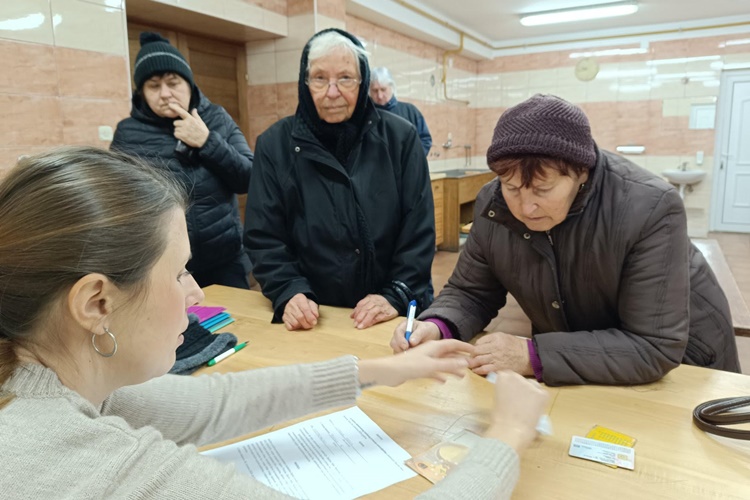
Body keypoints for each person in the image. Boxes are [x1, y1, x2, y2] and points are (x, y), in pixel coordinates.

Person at [0, 146, 548, 499]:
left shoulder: (44, 383)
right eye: (178, 273)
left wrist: (380, 371)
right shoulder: (89, 469)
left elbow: (213, 406)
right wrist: (509, 435)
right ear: (96, 303)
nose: (194, 294)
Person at [391, 94, 741, 386]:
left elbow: (653, 345)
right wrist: (437, 326)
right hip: (581, 358)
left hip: (686, 363)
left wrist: (533, 355)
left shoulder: (649, 206)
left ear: (582, 172)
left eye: (543, 190)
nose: (525, 206)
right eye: (512, 188)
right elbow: (470, 291)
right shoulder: (493, 203)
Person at [245, 29, 435, 331]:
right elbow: (264, 235)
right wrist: (288, 289)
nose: (332, 92)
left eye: (345, 78)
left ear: (363, 82)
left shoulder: (401, 139)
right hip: (317, 313)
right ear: (305, 83)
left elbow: (419, 230)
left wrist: (396, 293)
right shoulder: (274, 145)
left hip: (391, 310)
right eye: (319, 78)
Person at [112, 32, 253, 289]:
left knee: (237, 325)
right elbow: (120, 199)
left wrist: (207, 141)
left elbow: (249, 178)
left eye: (173, 82)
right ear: (142, 92)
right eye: (154, 86)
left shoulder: (216, 118)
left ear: (189, 84)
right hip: (164, 265)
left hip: (224, 258)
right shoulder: (128, 132)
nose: (165, 93)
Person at [370, 66, 432, 156]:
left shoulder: (410, 111)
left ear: (392, 87)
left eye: (383, 90)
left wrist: (412, 161)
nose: (379, 95)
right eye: (375, 91)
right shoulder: (366, 115)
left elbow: (425, 140)